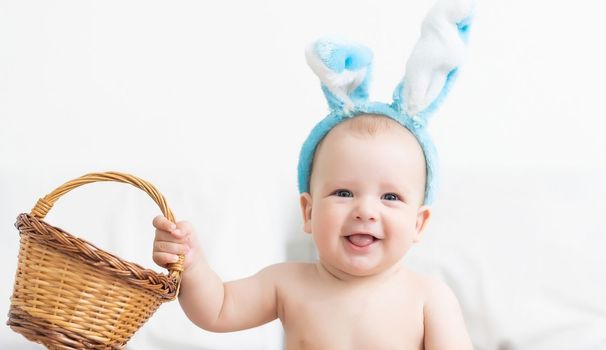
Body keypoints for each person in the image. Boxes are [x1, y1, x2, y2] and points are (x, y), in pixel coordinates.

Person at [152, 0, 476, 348]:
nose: (365, 210)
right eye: (343, 193)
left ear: (418, 223)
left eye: (390, 197)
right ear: (308, 211)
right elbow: (217, 309)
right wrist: (193, 265)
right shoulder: (288, 283)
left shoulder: (429, 299)